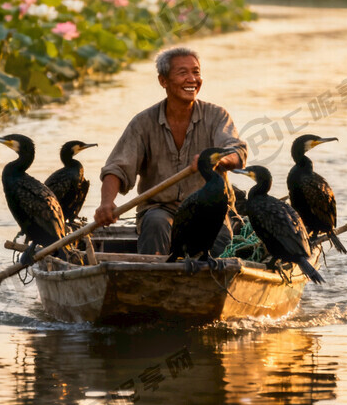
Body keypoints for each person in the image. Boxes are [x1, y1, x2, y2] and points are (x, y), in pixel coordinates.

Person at [95, 47, 248, 255]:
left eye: (196, 72)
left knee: (219, 236)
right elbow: (117, 168)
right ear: (163, 81)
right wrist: (106, 203)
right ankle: (156, 280)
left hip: (210, 209)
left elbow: (237, 152)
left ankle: (213, 281)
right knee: (156, 225)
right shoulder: (142, 123)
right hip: (160, 208)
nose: (192, 79)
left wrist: (216, 161)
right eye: (183, 73)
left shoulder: (217, 116)